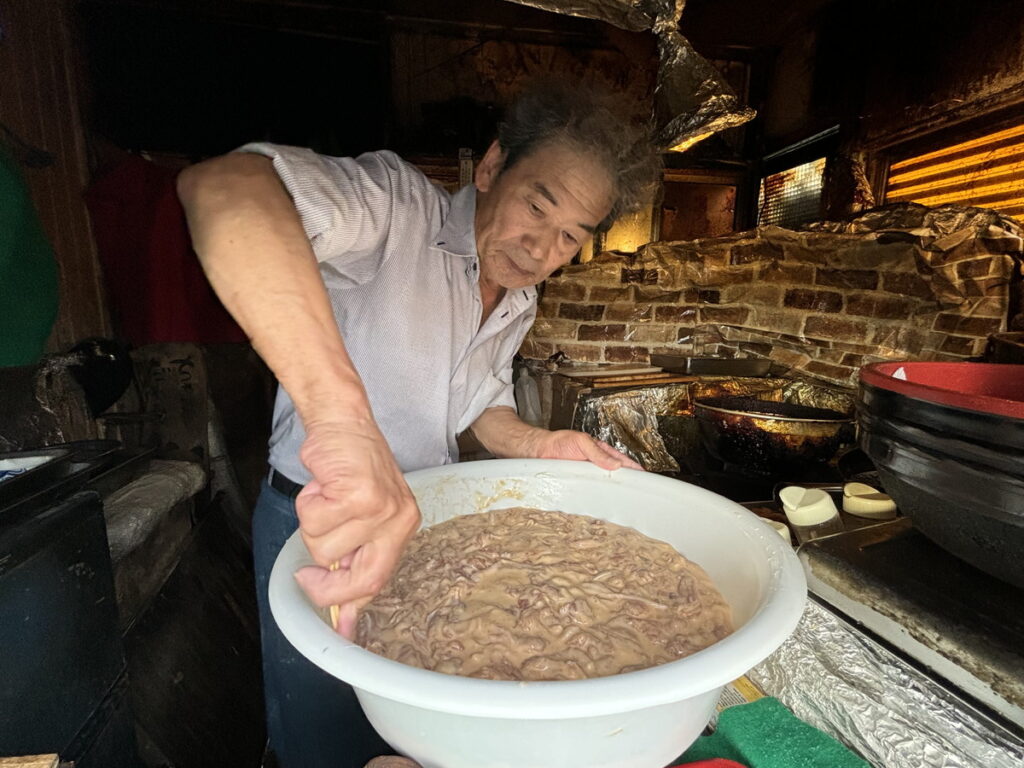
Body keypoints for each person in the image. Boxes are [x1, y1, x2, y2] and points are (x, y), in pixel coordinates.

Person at [178, 80, 661, 768]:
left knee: (409, 740)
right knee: (321, 733)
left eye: (568, 238)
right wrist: (344, 419)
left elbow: (479, 405)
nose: (540, 249)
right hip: (316, 524)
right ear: (492, 168)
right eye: (536, 206)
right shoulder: (394, 206)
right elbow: (223, 189)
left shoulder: (519, 296)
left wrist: (541, 443)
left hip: (429, 528)